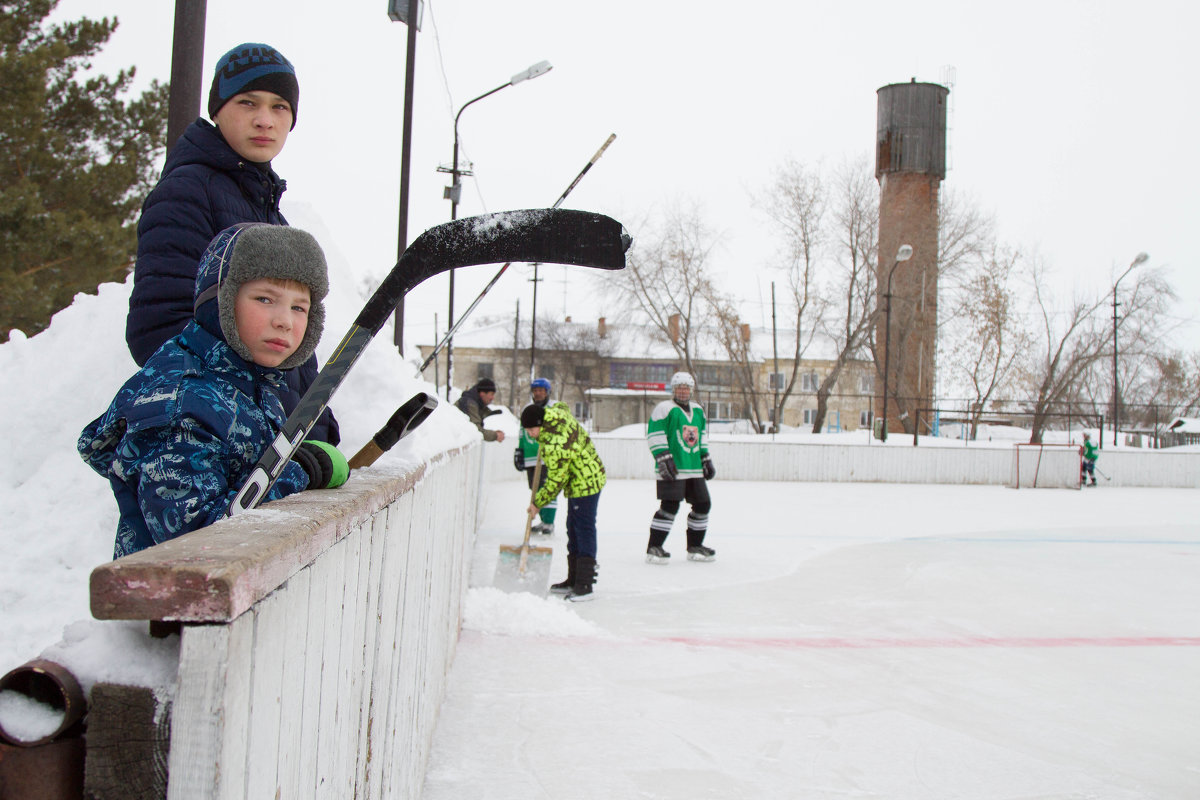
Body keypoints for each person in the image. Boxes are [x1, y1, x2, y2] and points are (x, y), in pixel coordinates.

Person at [79, 224, 350, 559]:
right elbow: (198, 540)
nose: (285, 321)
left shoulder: (250, 386)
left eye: (299, 307)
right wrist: (299, 473)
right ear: (220, 300)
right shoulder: (180, 404)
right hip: (179, 604)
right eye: (265, 299)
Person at [125, 42, 339, 445]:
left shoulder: (269, 214)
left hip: (269, 445)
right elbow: (159, 329)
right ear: (218, 109)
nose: (264, 120)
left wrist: (314, 430)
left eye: (279, 107)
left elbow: (295, 349)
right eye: (247, 102)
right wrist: (248, 423)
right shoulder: (187, 191)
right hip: (213, 449)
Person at [521, 402, 606, 601]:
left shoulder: (555, 441)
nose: (531, 435)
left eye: (532, 430)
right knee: (573, 527)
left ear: (541, 424)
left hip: (586, 482)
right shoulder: (555, 416)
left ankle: (585, 585)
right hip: (579, 478)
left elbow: (556, 480)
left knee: (583, 528)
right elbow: (562, 406)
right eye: (527, 431)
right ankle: (573, 578)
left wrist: (537, 503)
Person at [645, 371, 717, 563]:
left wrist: (705, 457)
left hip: (693, 468)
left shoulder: (698, 410)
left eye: (687, 388)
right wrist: (662, 457)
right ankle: (654, 548)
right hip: (673, 466)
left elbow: (700, 435)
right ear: (674, 389)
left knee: (703, 504)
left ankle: (695, 547)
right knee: (669, 506)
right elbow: (654, 433)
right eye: (680, 387)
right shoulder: (664, 408)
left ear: (691, 390)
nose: (684, 391)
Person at [514, 377, 557, 534]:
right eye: (535, 391)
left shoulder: (553, 408)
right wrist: (520, 451)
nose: (538, 394)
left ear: (547, 392)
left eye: (541, 391)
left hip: (548, 457)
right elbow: (522, 432)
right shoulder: (528, 408)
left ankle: (549, 522)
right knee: (535, 489)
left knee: (547, 488)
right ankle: (542, 520)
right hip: (531, 456)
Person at [454, 378, 506, 442]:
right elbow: (476, 430)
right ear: (482, 393)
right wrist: (495, 435)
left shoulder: (475, 404)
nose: (493, 398)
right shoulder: (470, 404)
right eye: (491, 394)